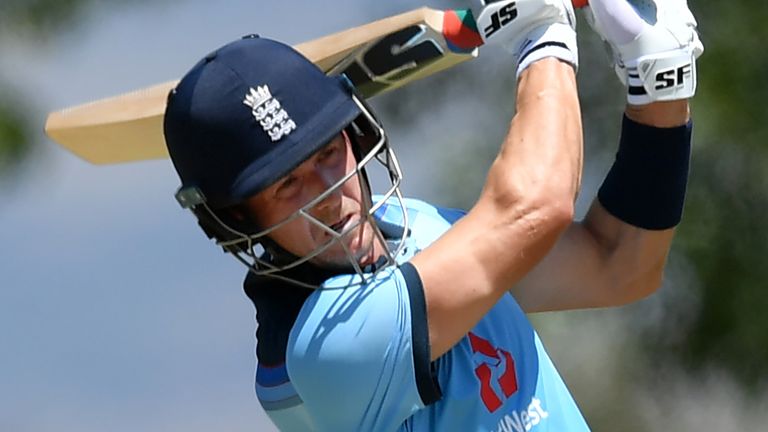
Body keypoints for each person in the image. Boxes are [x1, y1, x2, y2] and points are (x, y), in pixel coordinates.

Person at [162, 0, 702, 430]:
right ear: (240, 221)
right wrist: (540, 32)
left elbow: (619, 265)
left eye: (327, 153)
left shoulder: (417, 228)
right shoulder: (324, 349)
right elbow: (537, 205)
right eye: (287, 184)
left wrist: (658, 84)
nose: (331, 192)